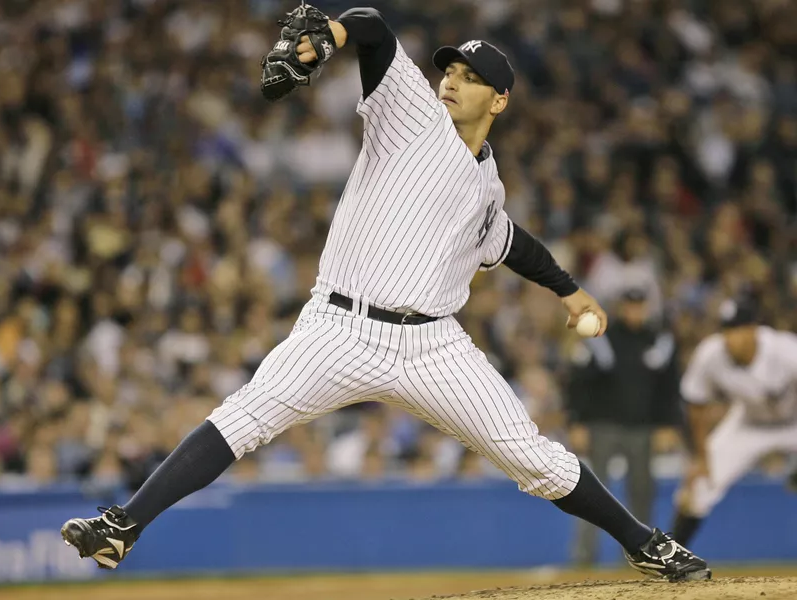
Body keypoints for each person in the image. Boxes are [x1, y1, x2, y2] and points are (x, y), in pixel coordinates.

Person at [60, 5, 709, 582]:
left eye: (469, 77)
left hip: (434, 347)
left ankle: (646, 543)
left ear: (500, 102)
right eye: (448, 71)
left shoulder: (488, 183)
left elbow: (510, 241)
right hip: (340, 328)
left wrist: (570, 293)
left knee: (535, 460)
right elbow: (373, 27)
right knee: (246, 415)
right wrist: (336, 33)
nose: (451, 79)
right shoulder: (413, 117)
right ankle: (123, 524)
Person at [566, 287, 681, 565]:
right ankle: (584, 556)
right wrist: (577, 421)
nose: (635, 311)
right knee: (591, 493)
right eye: (630, 305)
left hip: (642, 426)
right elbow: (579, 382)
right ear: (622, 307)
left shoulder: (658, 341)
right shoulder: (602, 337)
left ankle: (639, 555)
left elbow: (669, 386)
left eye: (640, 305)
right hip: (603, 425)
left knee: (642, 492)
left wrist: (668, 424)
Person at [671, 296, 797, 546]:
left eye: (738, 329)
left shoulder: (785, 350)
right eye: (727, 330)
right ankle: (673, 558)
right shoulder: (710, 354)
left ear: (754, 329)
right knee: (699, 486)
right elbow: (696, 405)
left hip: (793, 420)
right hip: (748, 423)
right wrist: (701, 457)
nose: (731, 338)